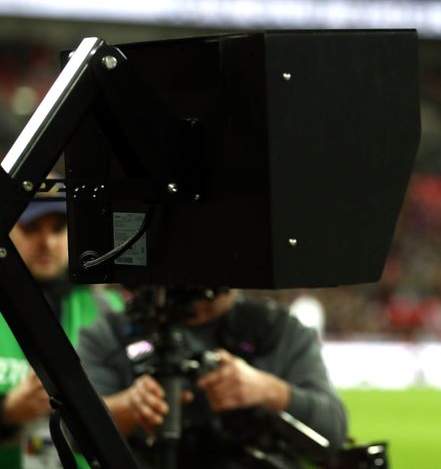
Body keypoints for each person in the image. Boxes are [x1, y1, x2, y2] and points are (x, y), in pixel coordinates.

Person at [76, 287, 348, 468]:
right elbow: (74, 434)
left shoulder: (278, 330)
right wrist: (130, 406)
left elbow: (332, 433)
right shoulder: (112, 333)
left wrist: (268, 390)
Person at [0, 197, 123, 468]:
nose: (47, 243)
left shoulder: (110, 309)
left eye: (58, 229)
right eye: (31, 228)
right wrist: (6, 412)